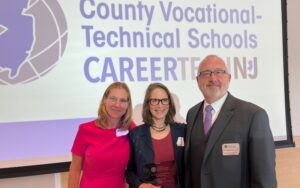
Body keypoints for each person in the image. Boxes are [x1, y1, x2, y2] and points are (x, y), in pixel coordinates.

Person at [184, 55, 277, 188]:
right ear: (198, 80)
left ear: (229, 78)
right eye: (206, 73)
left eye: (219, 72)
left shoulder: (254, 115)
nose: (213, 78)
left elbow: (265, 180)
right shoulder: (192, 114)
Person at [68, 82, 135, 188]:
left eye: (122, 100)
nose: (117, 104)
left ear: (128, 105)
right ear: (105, 100)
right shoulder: (85, 130)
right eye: (113, 98)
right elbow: (75, 169)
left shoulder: (131, 129)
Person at [126, 83, 186, 188]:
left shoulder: (183, 131)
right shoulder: (136, 135)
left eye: (164, 100)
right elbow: (129, 172)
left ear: (169, 103)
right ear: (148, 104)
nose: (160, 105)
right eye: (154, 100)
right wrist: (140, 185)